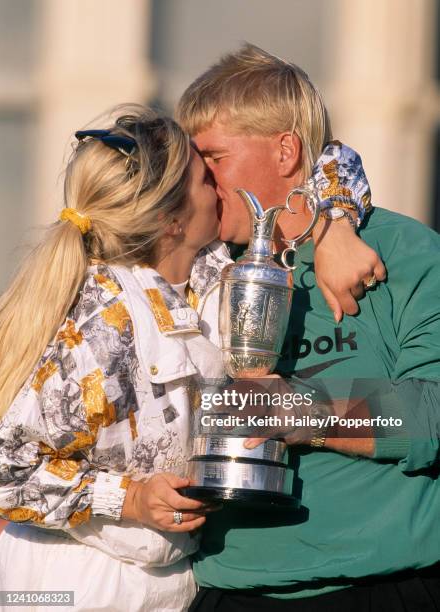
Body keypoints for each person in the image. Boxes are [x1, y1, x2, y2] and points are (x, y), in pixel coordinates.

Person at [0, 104, 377, 611]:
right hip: (71, 585)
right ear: (169, 221)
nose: (220, 186)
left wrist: (336, 228)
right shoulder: (99, 322)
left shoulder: (210, 270)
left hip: (175, 582)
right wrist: (129, 498)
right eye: (205, 178)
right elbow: (8, 467)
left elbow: (335, 157)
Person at [176, 44, 440, 611]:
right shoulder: (196, 264)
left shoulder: (401, 252)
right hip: (225, 588)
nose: (196, 178)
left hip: (379, 587)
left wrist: (302, 414)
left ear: (285, 150)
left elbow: (433, 413)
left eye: (213, 158)